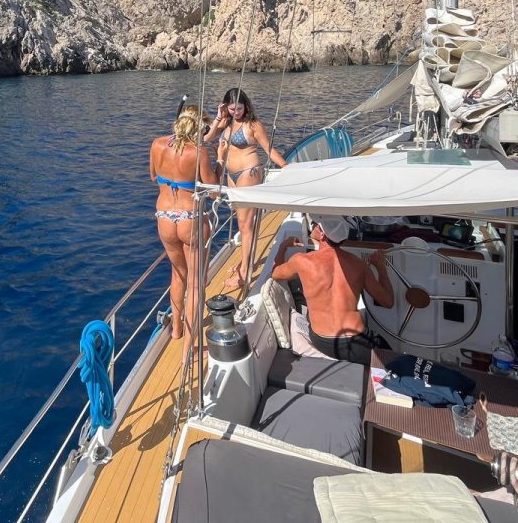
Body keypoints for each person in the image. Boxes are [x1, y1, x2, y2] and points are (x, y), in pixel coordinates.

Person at [270, 214, 394, 366]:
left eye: (316, 224)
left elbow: (275, 273)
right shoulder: (359, 265)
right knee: (394, 361)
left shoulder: (302, 261)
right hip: (356, 342)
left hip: (321, 340)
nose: (313, 226)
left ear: (322, 234)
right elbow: (387, 301)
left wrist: (283, 246)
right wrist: (381, 267)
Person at [205, 88, 286, 292]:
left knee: (245, 225)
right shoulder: (226, 121)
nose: (236, 112)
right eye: (231, 109)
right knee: (242, 223)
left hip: (248, 173)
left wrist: (286, 167)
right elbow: (207, 138)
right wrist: (218, 116)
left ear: (246, 105)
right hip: (231, 177)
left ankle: (245, 274)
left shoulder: (253, 125)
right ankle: (244, 264)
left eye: (239, 108)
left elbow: (269, 149)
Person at [150, 107, 218, 344]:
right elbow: (213, 193)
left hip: (165, 217)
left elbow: (153, 176)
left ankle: (176, 329)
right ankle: (190, 345)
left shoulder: (157, 145)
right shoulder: (199, 152)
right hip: (191, 218)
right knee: (196, 282)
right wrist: (217, 163)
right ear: (199, 128)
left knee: (178, 275)